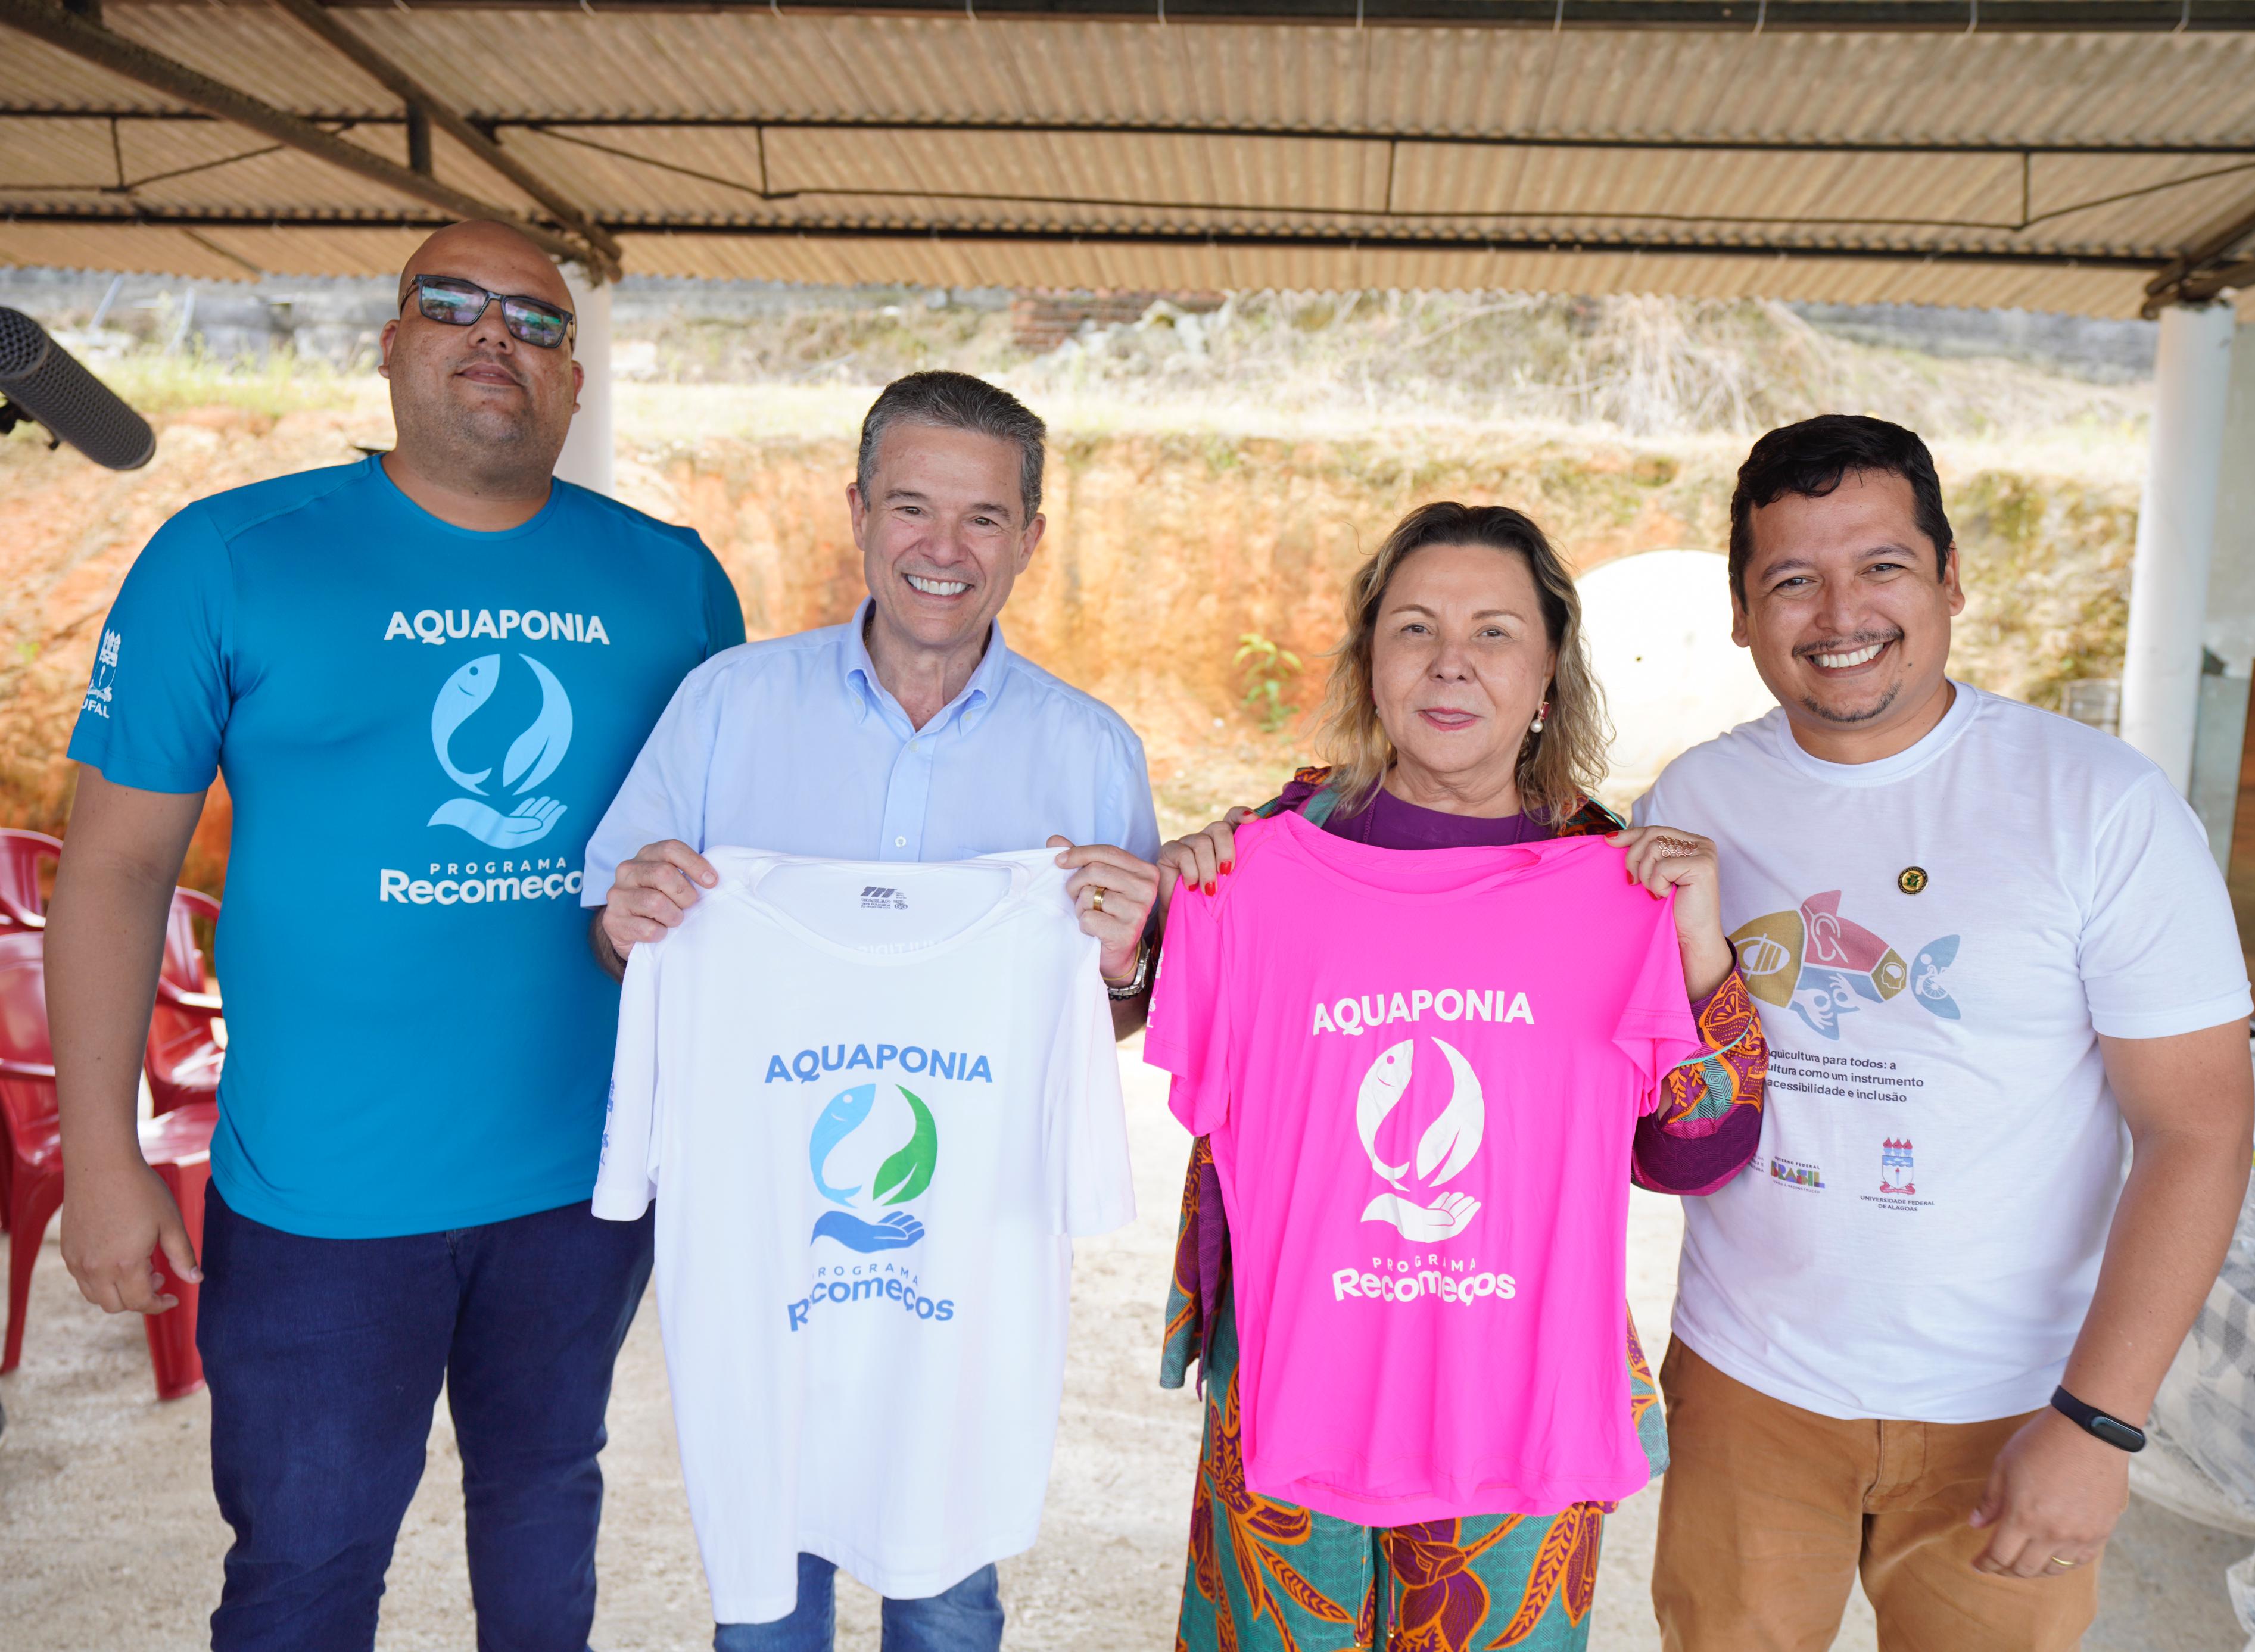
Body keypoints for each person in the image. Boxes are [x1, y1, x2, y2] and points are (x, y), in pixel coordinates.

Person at [46, 220, 746, 1650]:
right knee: (304, 1568)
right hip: (321, 1195)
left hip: (584, 1180)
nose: (495, 335)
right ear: (388, 346)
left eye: (536, 321)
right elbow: (114, 869)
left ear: (571, 381)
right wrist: (104, 1155)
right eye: (451, 304)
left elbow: (730, 872)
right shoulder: (228, 559)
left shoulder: (674, 584)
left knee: (547, 1514)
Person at [1636, 414, 2255, 1652]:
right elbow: (1649, 1083)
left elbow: (2194, 1129)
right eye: (1791, 579)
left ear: (1950, 579)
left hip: (2011, 1403)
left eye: (1879, 566)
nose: (1837, 610)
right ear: (1743, 613)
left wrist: (2097, 1423)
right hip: (1748, 1385)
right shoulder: (1691, 800)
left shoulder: (2100, 804)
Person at [581, 368, 1160, 1649]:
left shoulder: (1090, 752)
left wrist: (1118, 964)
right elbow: (619, 939)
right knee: (768, 1590)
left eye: (983, 519)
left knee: (946, 1589)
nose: (942, 550)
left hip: (966, 1268)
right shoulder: (727, 707)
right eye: (910, 507)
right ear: (856, 511)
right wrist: (628, 929)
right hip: (765, 1261)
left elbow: (1101, 1014)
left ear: (1031, 538)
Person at [1150, 501, 1767, 1652]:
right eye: (1415, 628)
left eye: (1493, 633)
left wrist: (1696, 952)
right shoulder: (1269, 850)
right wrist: (1169, 916)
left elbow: (1700, 1150)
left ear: (1547, 673)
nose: (1450, 663)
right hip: (1299, 1357)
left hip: (1514, 1377)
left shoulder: (1613, 874)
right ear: (1369, 659)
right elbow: (1169, 1016)